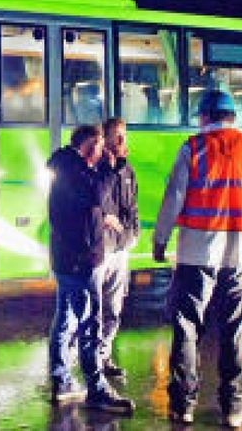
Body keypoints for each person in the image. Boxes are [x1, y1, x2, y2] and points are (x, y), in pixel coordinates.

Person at [153, 89, 242, 428]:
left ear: (204, 117)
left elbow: (174, 197)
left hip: (197, 251)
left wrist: (160, 239)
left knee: (187, 326)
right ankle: (235, 406)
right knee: (237, 326)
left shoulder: (193, 148)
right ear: (232, 117)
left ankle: (182, 405)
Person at [46, 124, 134, 414]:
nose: (102, 151)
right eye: (98, 146)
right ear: (87, 146)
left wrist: (106, 219)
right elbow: (98, 194)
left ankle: (62, 382)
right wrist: (111, 167)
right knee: (89, 325)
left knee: (66, 319)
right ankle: (96, 388)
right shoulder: (76, 172)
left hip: (68, 258)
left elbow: (92, 206)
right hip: (81, 260)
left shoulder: (66, 167)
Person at [97, 117, 141, 378]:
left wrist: (132, 235)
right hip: (100, 250)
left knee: (113, 308)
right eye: (117, 137)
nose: (123, 142)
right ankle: (88, 361)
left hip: (120, 250)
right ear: (105, 140)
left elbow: (132, 208)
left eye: (124, 136)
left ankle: (104, 357)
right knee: (92, 308)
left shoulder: (128, 172)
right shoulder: (96, 169)